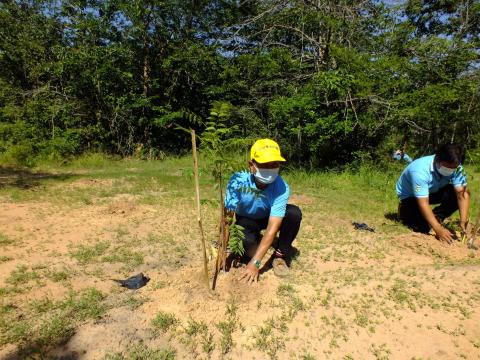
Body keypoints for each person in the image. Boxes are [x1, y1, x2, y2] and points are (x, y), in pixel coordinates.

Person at [224, 139, 302, 283]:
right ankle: (253, 240)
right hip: (247, 219)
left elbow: (272, 228)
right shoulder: (237, 181)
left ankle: (280, 256)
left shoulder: (281, 187)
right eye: (265, 164)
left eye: (274, 164)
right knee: (247, 251)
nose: (270, 168)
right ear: (251, 166)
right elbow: (227, 216)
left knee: (293, 214)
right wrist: (224, 243)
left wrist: (256, 264)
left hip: (268, 216)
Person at [396, 143, 470, 243]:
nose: (451, 171)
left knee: (455, 194)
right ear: (437, 159)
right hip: (412, 196)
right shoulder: (419, 171)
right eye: (448, 167)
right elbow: (423, 203)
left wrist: (463, 221)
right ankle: (403, 210)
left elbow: (462, 194)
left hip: (433, 191)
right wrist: (438, 229)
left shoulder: (457, 168)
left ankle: (437, 216)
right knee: (423, 227)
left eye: (454, 168)